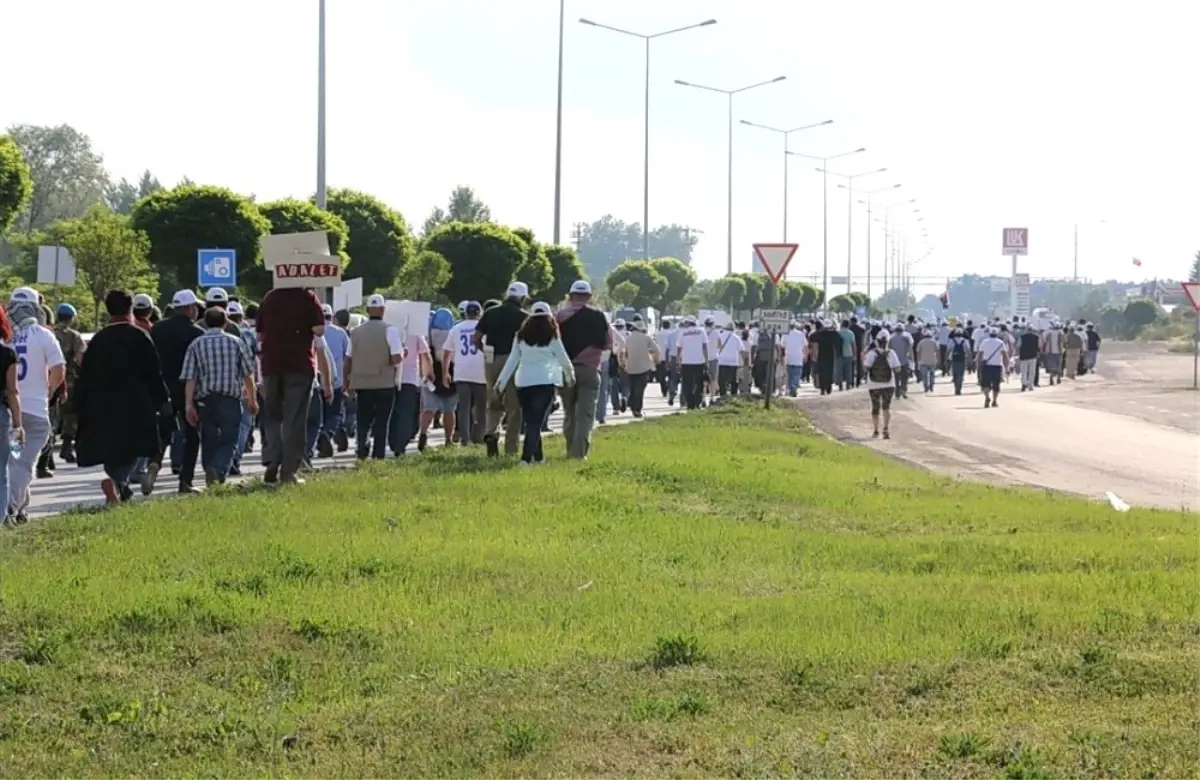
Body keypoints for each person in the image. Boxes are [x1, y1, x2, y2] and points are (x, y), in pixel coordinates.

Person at [75, 289, 169, 505]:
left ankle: (119, 488)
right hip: (135, 402)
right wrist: (161, 399)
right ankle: (118, 482)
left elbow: (85, 375)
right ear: (130, 309)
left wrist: (79, 404)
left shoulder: (98, 340)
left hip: (102, 403)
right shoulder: (139, 336)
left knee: (111, 448)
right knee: (136, 447)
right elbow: (153, 371)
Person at [256, 285, 330, 485]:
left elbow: (260, 333)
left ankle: (273, 457)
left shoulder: (269, 297)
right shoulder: (308, 297)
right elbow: (319, 330)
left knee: (273, 415)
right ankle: (288, 472)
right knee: (294, 418)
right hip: (299, 364)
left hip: (271, 364)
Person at [181, 306, 259, 485]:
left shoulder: (196, 344)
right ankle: (218, 469)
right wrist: (252, 399)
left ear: (205, 322)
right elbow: (248, 373)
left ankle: (210, 469)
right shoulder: (236, 342)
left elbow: (190, 377)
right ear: (226, 322)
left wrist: (188, 404)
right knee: (230, 438)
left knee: (208, 438)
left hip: (205, 399)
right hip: (230, 398)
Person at [6, 288, 65, 522]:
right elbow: (58, 369)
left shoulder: (5, 336)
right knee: (23, 465)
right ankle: (10, 509)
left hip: (10, 410)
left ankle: (19, 507)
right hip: (36, 412)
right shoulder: (43, 334)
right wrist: (48, 393)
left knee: (13, 462)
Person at [494, 302, 575, 465]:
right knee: (536, 422)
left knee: (531, 421)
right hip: (545, 382)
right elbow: (563, 358)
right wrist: (570, 376)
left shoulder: (520, 336)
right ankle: (525, 459)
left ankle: (538, 458)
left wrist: (500, 384)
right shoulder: (552, 336)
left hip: (523, 383)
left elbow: (512, 361)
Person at [148, 290, 204, 495]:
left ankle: (155, 462)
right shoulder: (196, 333)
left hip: (162, 388)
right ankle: (185, 481)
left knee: (163, 429)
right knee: (192, 435)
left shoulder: (158, 329)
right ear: (189, 309)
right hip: (188, 389)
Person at [344, 294, 404, 460]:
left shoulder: (355, 333)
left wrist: (346, 383)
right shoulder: (390, 330)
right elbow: (396, 358)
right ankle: (378, 454)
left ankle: (362, 446)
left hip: (362, 382)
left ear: (368, 310)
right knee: (382, 420)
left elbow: (347, 360)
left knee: (363, 417)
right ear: (383, 310)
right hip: (385, 383)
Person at [555, 281, 610, 457]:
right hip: (590, 370)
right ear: (589, 297)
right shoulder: (599, 316)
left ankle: (570, 448)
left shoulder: (559, 317)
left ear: (570, 296)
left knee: (569, 413)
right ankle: (579, 455)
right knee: (585, 415)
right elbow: (608, 343)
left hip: (565, 370)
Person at [475, 282, 529, 457]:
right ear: (522, 297)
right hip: (513, 360)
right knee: (514, 406)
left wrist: (486, 353)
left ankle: (491, 433)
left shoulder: (490, 312)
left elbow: (476, 338)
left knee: (493, 401)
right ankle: (511, 448)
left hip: (491, 359)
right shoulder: (524, 317)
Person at [444, 301, 487, 447]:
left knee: (464, 407)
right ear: (479, 313)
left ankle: (465, 438)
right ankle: (479, 436)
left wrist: (445, 372)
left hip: (461, 371)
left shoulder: (456, 328)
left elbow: (447, 351)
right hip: (480, 371)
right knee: (481, 406)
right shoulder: (484, 328)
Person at [420, 308, 458, 450]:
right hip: (449, 375)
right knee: (449, 410)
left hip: (430, 375)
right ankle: (448, 439)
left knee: (428, 408)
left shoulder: (428, 335)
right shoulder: (453, 334)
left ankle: (423, 433)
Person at [52, 303, 85, 464]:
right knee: (70, 415)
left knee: (51, 414)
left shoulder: (48, 333)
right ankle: (66, 448)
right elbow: (80, 360)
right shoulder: (75, 336)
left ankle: (46, 457)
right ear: (71, 318)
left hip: (49, 378)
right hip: (69, 379)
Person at [317, 303, 351, 456]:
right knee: (335, 413)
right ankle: (328, 432)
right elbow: (347, 357)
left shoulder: (314, 333)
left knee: (319, 413)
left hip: (317, 380)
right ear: (332, 317)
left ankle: (321, 437)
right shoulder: (341, 333)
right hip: (336, 381)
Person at [0, 309, 23, 525]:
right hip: (0, 414)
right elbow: (12, 391)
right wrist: (18, 424)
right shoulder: (8, 354)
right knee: (1, 471)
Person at [863, 332, 901, 440]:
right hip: (889, 383)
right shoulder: (892, 353)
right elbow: (898, 368)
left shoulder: (871, 353)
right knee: (886, 407)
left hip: (873, 384)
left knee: (875, 407)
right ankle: (886, 428)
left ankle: (875, 430)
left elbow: (866, 368)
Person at [620, 317, 659, 416]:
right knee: (640, 389)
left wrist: (623, 363)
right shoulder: (646, 338)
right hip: (644, 367)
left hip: (631, 367)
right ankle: (637, 409)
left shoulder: (628, 338)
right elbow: (656, 350)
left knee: (633, 388)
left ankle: (629, 401)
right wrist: (655, 359)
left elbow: (623, 352)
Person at [675, 317, 709, 410]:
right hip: (699, 361)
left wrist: (678, 361)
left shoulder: (682, 332)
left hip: (686, 362)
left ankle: (690, 403)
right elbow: (705, 347)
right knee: (699, 383)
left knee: (687, 384)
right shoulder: (701, 331)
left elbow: (679, 348)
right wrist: (706, 360)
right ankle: (697, 402)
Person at [977, 327, 1009, 408]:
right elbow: (1005, 356)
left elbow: (980, 355)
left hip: (986, 366)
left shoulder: (984, 342)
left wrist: (978, 365)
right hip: (997, 366)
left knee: (985, 384)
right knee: (996, 385)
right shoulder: (1001, 343)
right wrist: (1006, 367)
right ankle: (994, 401)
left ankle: (987, 397)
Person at [810, 320, 842, 396]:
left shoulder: (819, 334)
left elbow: (812, 338)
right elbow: (840, 341)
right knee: (829, 372)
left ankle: (822, 389)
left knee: (822, 372)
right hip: (830, 355)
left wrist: (814, 355)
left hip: (821, 355)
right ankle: (828, 388)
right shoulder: (834, 334)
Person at [714, 323, 744, 397]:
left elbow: (717, 348)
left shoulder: (720, 336)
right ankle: (733, 395)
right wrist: (745, 362)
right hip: (733, 362)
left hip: (722, 361)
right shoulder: (736, 338)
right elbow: (741, 350)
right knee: (734, 381)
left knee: (722, 381)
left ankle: (723, 395)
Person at [888, 325, 915, 399]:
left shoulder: (891, 337)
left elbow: (889, 349)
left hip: (895, 362)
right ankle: (903, 390)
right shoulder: (906, 337)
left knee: (896, 378)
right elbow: (910, 349)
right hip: (904, 361)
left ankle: (897, 393)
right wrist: (912, 360)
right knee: (904, 377)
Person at [783, 321, 808, 397]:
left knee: (790, 376)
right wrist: (806, 356)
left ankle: (791, 389)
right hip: (798, 358)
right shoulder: (800, 334)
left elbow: (782, 346)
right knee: (797, 375)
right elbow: (806, 346)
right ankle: (794, 387)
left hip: (788, 358)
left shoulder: (785, 334)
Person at [1017, 324, 1041, 391]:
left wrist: (1018, 353)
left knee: (1024, 371)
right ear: (1033, 330)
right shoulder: (1036, 337)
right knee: (1032, 371)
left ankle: (1024, 384)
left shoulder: (1022, 337)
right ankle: (1030, 386)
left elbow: (1018, 346)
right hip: (1033, 356)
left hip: (1024, 356)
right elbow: (1039, 346)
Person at [915, 328, 939, 393]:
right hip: (932, 361)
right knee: (932, 374)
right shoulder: (934, 342)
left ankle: (926, 387)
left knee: (924, 375)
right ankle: (931, 385)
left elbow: (918, 352)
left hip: (923, 361)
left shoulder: (921, 342)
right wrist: (937, 359)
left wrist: (918, 360)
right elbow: (937, 351)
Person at [947, 327, 970, 395]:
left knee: (955, 374)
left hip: (954, 359)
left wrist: (946, 359)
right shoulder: (965, 341)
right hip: (962, 359)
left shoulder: (952, 340)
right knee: (961, 374)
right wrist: (970, 359)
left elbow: (948, 350)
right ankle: (959, 388)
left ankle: (956, 387)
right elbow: (968, 351)